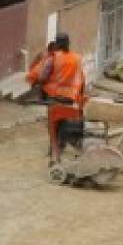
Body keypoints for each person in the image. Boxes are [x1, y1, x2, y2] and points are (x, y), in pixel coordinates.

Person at [35, 33, 85, 163]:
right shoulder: (77, 58)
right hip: (71, 97)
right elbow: (82, 79)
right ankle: (62, 145)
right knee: (65, 123)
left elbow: (42, 77)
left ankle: (54, 152)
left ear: (57, 44)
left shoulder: (53, 59)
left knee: (53, 125)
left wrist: (41, 89)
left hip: (55, 97)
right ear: (68, 43)